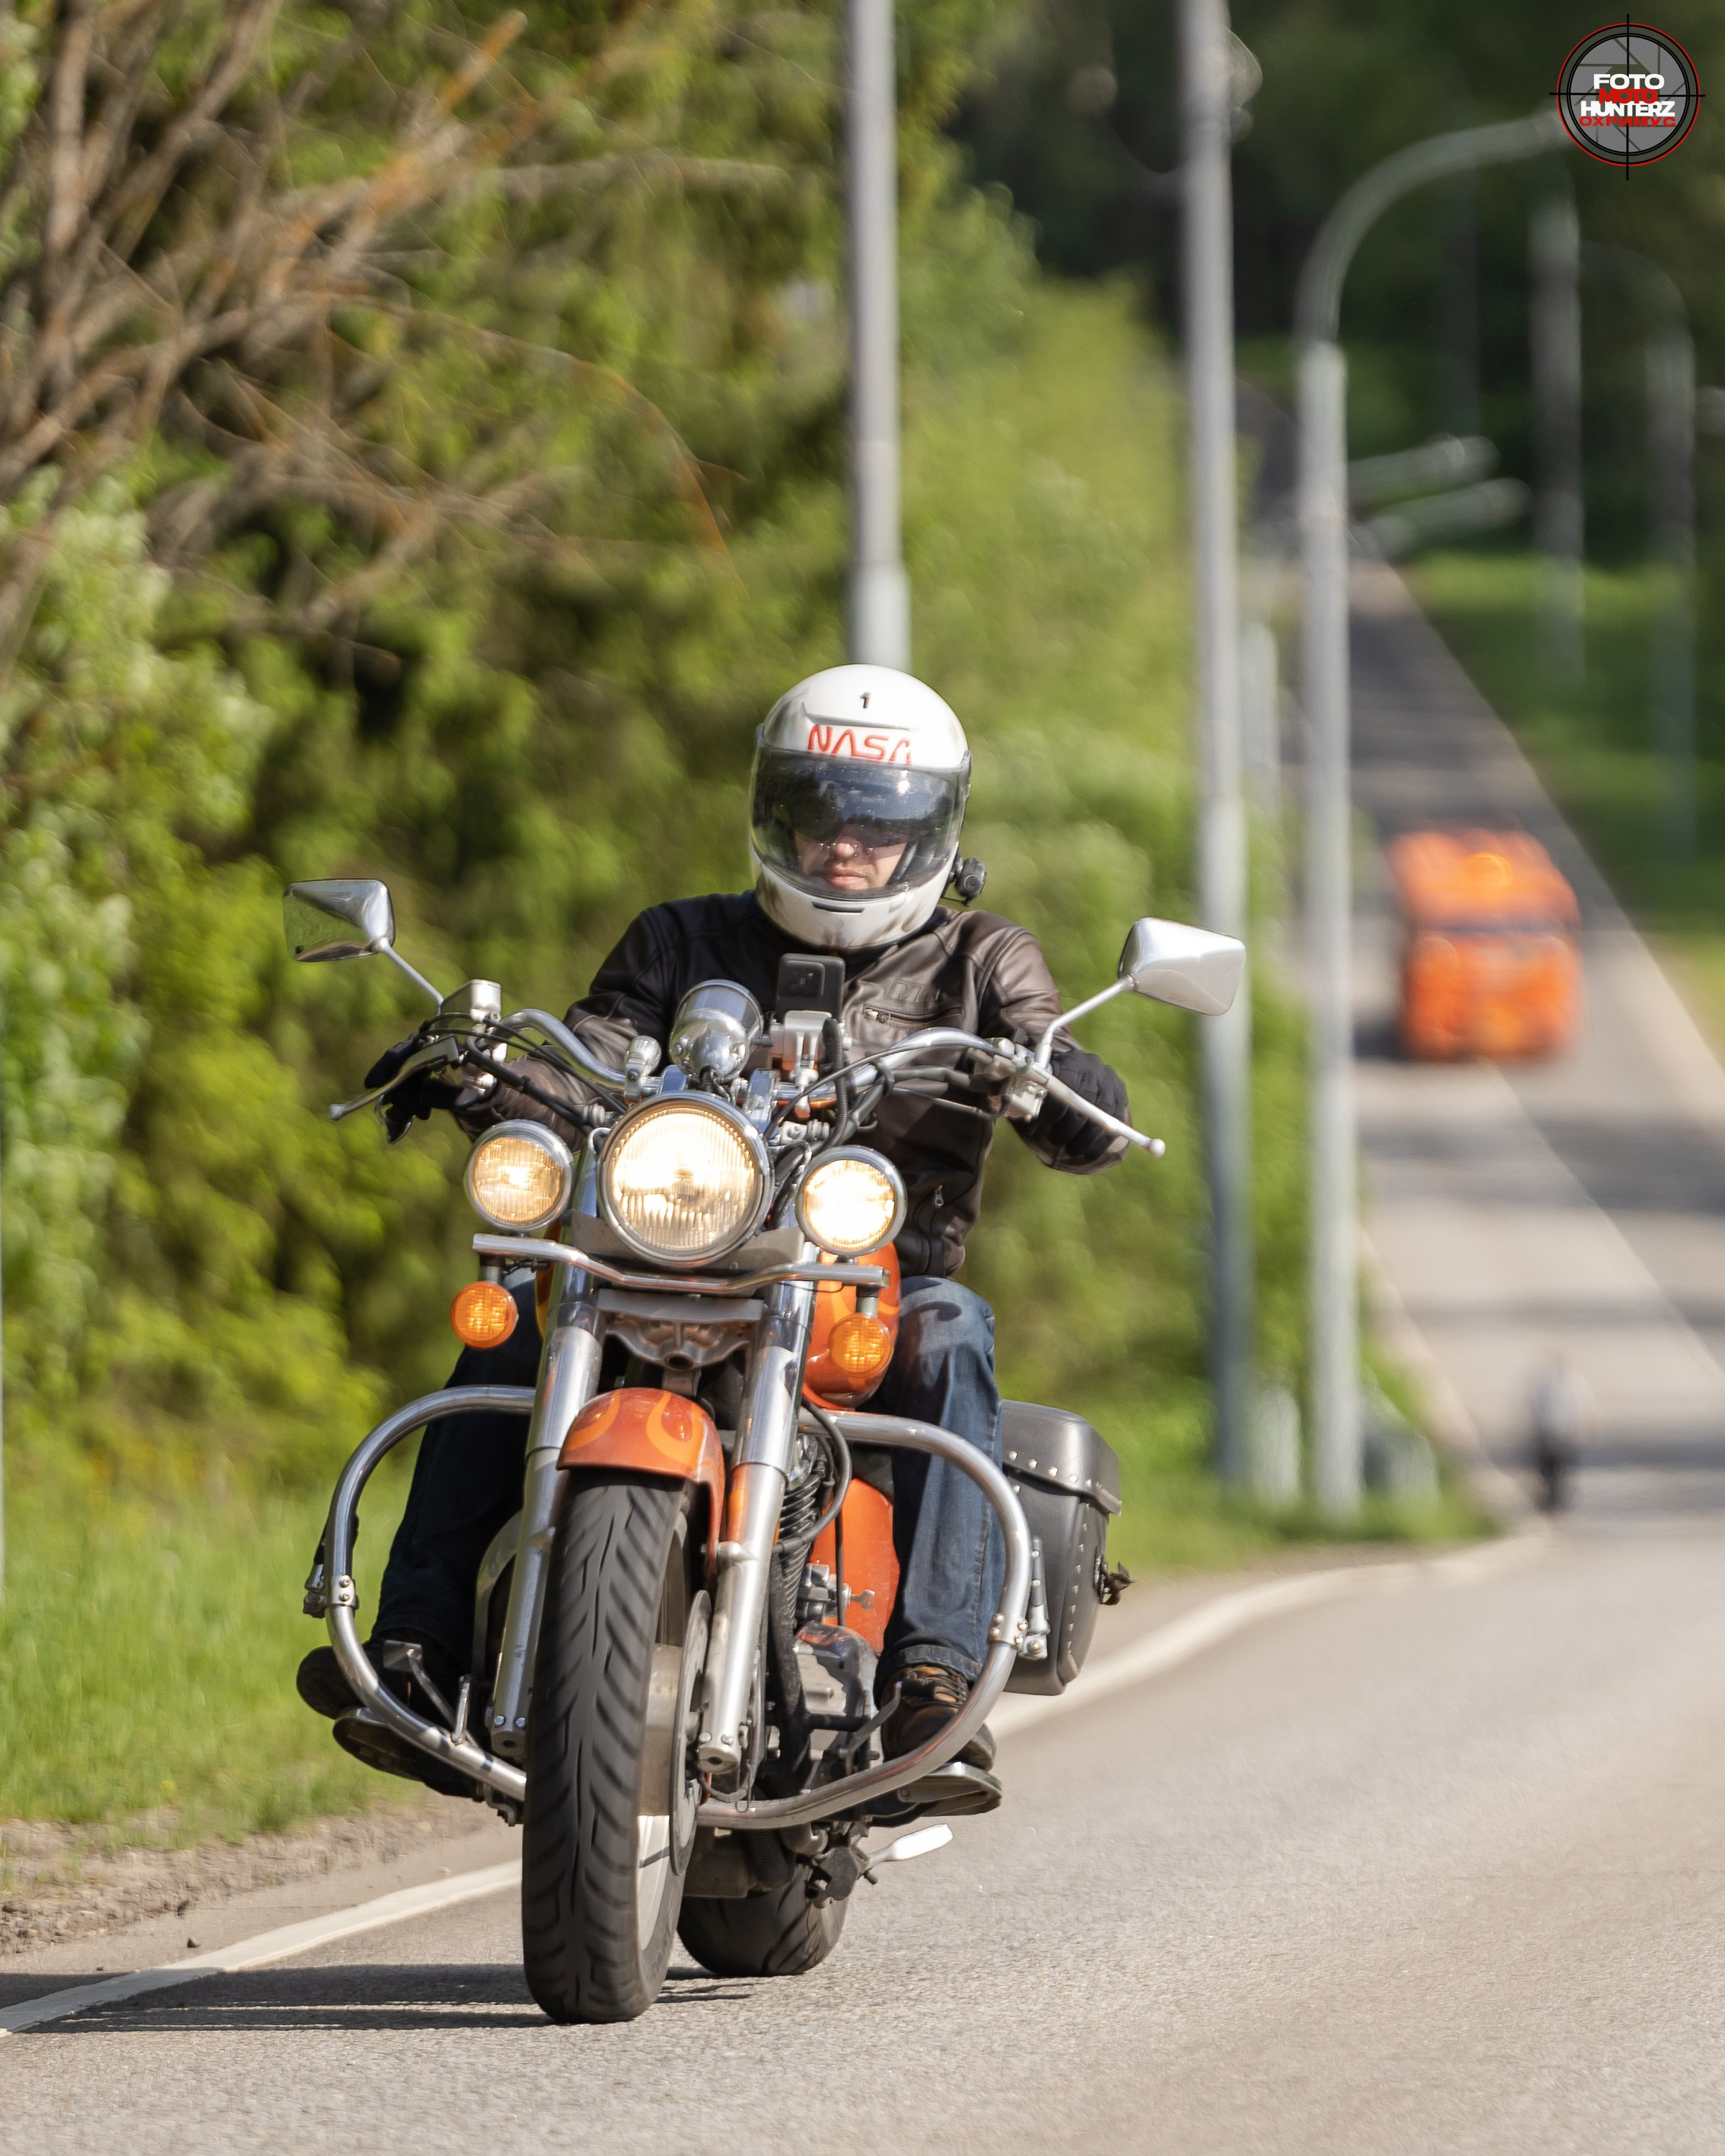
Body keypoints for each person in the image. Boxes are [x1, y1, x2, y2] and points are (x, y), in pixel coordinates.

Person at [298, 665, 1132, 1790]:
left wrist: (1053, 1076)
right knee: (513, 1326)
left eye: (875, 826)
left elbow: (1076, 1093)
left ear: (928, 833)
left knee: (954, 1334)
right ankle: (415, 1653)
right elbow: (592, 1053)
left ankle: (935, 1681)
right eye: (817, 814)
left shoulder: (981, 957)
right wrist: (492, 1073)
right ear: (773, 811)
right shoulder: (678, 938)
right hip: (673, 1250)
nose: (843, 846)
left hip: (876, 1282)